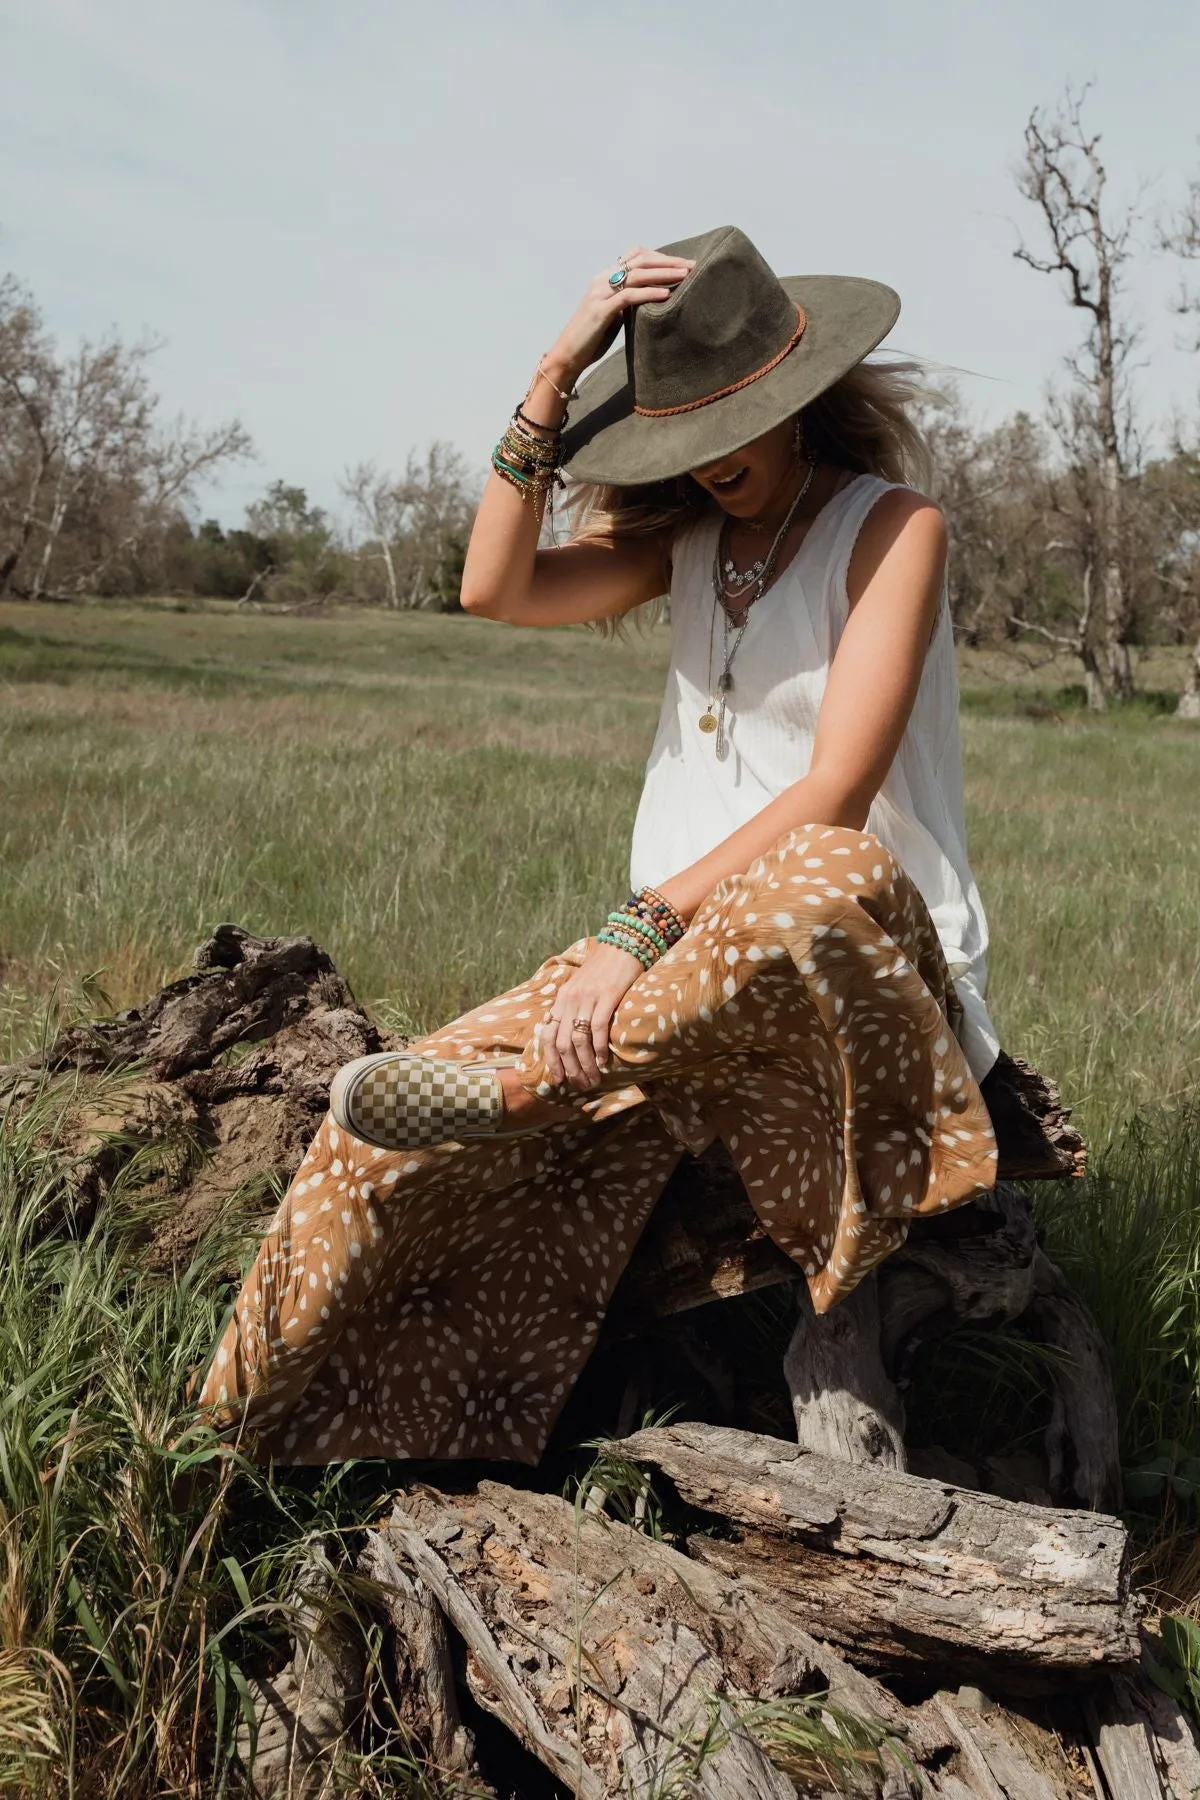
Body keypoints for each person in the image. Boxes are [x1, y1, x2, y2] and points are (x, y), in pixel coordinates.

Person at [194, 226, 998, 1465]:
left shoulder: (895, 528)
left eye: (742, 420)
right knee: (366, 1141)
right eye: (689, 432)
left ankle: (530, 1089)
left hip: (853, 965)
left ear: (801, 399)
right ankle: (243, 1443)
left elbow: (837, 791)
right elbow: (492, 588)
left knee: (820, 878)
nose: (717, 459)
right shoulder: (679, 546)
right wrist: (554, 370)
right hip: (670, 981)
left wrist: (627, 941)